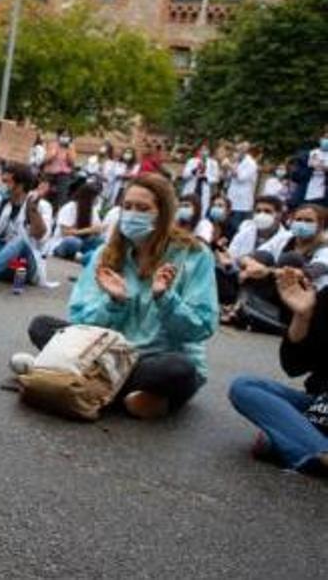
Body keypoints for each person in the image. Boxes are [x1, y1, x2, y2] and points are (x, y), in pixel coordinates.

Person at [27, 173, 218, 418]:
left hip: (154, 360)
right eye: (127, 207)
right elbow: (79, 321)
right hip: (107, 355)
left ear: (163, 213)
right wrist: (114, 302)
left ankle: (62, 378)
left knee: (179, 369)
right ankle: (128, 397)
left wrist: (165, 299)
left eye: (143, 208)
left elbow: (200, 327)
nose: (132, 214)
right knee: (41, 326)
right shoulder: (105, 254)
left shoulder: (194, 255)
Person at [229, 268, 328, 476]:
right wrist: (302, 316)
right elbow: (294, 366)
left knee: (269, 442)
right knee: (246, 387)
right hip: (320, 406)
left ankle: (297, 446)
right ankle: (312, 450)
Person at [216, 196, 290, 309]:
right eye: (258, 211)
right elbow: (232, 257)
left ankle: (240, 307)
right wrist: (229, 264)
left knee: (263, 257)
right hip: (238, 279)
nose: (262, 215)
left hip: (264, 286)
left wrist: (251, 269)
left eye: (267, 211)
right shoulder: (245, 232)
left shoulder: (287, 238)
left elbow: (279, 269)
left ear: (279, 214)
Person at [49, 179, 105, 262]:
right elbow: (65, 232)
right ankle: (64, 254)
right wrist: (88, 230)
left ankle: (80, 256)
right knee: (74, 242)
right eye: (96, 197)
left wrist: (98, 230)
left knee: (99, 242)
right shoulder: (70, 207)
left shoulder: (92, 210)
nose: (97, 200)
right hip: (64, 241)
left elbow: (97, 228)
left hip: (83, 242)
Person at [223, 141, 258, 238]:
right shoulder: (237, 162)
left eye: (238, 150)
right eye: (236, 150)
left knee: (237, 228)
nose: (235, 153)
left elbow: (241, 177)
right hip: (231, 199)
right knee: (228, 226)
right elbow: (227, 178)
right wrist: (226, 169)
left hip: (242, 203)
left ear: (245, 151)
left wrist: (229, 166)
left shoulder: (251, 163)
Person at [180, 142, 220, 213]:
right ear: (198, 151)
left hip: (204, 189)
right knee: (189, 210)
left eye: (205, 150)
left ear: (209, 151)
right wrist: (194, 171)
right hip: (192, 188)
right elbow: (184, 175)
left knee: (202, 210)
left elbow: (216, 178)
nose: (203, 152)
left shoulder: (213, 163)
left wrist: (206, 177)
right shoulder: (192, 161)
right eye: (201, 150)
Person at [41, 130, 76, 210]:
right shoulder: (52, 144)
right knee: (45, 194)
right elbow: (46, 159)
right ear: (59, 136)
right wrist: (53, 153)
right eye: (63, 135)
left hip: (64, 175)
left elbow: (72, 162)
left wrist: (69, 150)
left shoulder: (71, 146)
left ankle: (59, 212)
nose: (65, 138)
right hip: (50, 173)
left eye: (67, 136)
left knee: (62, 197)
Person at [306, 132, 328, 206]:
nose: (326, 141)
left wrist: (320, 166)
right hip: (312, 182)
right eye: (325, 138)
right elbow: (312, 164)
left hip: (325, 184)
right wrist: (322, 166)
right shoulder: (313, 152)